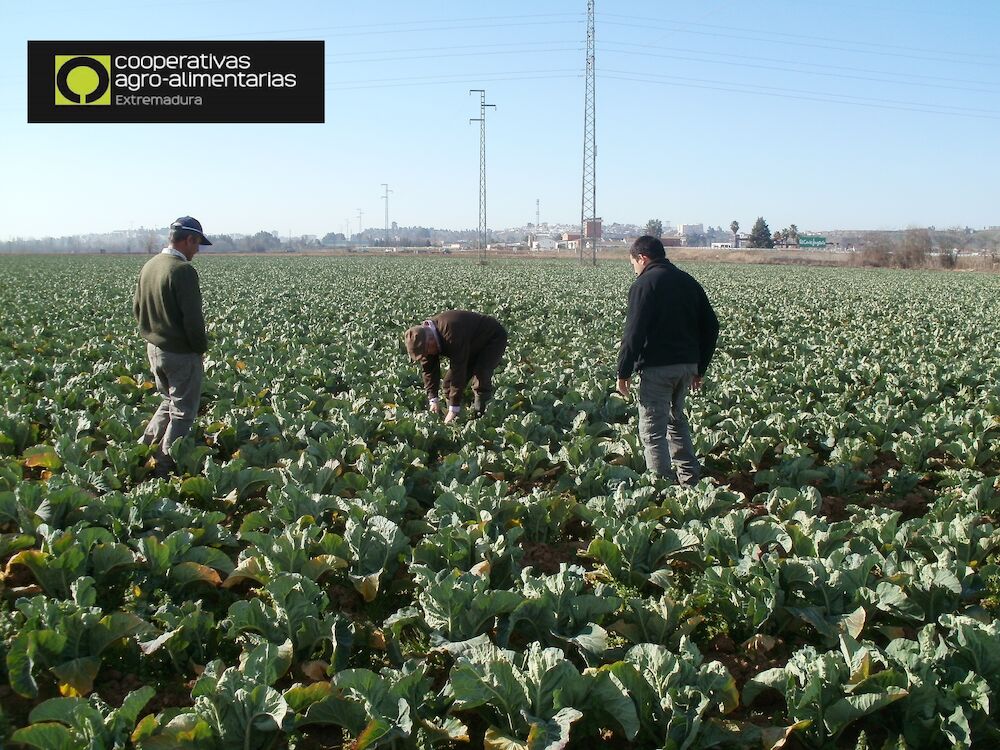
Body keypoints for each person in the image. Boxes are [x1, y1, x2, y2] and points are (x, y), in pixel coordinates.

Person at [616, 235, 719, 485]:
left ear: (643, 258)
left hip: (657, 369)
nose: (635, 269)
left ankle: (663, 489)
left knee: (652, 432)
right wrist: (699, 368)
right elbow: (712, 326)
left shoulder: (644, 284)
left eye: (634, 264)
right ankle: (689, 479)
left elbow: (634, 332)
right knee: (676, 422)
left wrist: (623, 371)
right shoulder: (688, 282)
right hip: (686, 367)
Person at [133, 216, 212, 473]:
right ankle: (164, 465)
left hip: (154, 349)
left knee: (168, 402)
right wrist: (200, 350)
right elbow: (193, 319)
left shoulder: (150, 265)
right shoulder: (181, 270)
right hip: (179, 353)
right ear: (188, 239)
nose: (197, 250)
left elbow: (137, 308)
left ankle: (142, 448)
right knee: (183, 413)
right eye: (197, 243)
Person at [404, 310, 508, 423]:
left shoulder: (450, 333)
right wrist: (433, 399)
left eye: (427, 351)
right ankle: (457, 421)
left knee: (481, 377)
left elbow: (459, 369)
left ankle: (482, 417)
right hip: (469, 343)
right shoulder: (424, 341)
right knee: (448, 385)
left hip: (492, 338)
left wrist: (453, 409)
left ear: (431, 341)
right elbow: (428, 370)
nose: (427, 355)